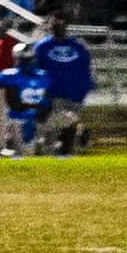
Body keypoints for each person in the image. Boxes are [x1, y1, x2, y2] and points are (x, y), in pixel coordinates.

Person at [35, 18, 99, 156]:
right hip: (54, 93)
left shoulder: (78, 46)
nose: (60, 30)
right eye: (57, 28)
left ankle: (66, 150)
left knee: (68, 123)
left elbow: (86, 68)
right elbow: (38, 69)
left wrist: (85, 87)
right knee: (54, 124)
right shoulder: (43, 47)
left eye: (62, 28)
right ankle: (53, 150)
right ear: (52, 29)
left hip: (74, 92)